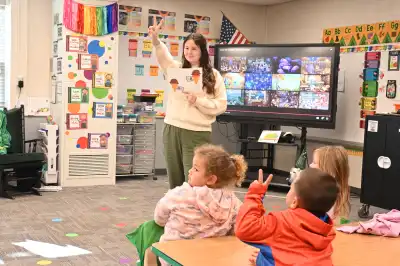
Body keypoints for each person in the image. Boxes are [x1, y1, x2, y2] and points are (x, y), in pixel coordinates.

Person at [148, 18, 227, 189]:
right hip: (172, 128)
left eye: (194, 49)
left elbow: (221, 105)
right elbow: (164, 57)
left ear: (202, 51)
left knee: (194, 179)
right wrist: (155, 40)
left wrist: (197, 101)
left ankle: (194, 213)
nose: (189, 52)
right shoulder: (177, 69)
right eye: (186, 48)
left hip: (196, 132)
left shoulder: (213, 76)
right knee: (174, 178)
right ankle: (177, 211)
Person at [154, 144, 247, 266]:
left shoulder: (180, 194)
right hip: (215, 260)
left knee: (149, 236)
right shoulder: (232, 201)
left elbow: (159, 219)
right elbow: (237, 228)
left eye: (195, 169)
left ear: (211, 179)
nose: (190, 171)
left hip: (176, 258)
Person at [236, 168, 339, 266]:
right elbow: (293, 256)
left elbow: (245, 228)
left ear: (294, 202)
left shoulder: (281, 222)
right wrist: (262, 260)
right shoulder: (326, 229)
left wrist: (255, 195)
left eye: (290, 188)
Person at [310, 146, 350, 223]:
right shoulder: (337, 188)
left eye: (314, 163)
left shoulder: (322, 192)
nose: (311, 165)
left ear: (329, 170)